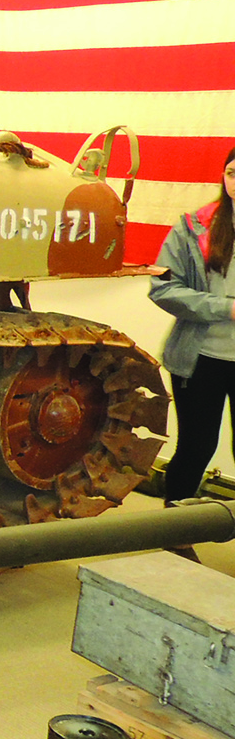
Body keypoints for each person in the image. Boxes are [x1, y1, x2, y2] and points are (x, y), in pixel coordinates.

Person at [152, 144, 235, 511]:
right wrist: (226, 309)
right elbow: (164, 289)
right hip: (201, 359)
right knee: (197, 446)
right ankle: (175, 535)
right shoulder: (192, 227)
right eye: (233, 174)